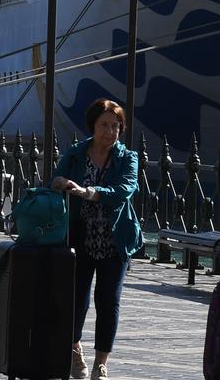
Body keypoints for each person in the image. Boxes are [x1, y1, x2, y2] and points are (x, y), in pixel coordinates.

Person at [50, 99, 143, 380]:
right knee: (77, 300)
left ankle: (101, 363)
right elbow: (55, 178)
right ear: (92, 126)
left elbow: (125, 189)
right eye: (104, 125)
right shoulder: (77, 152)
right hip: (80, 236)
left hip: (115, 238)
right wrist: (63, 184)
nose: (110, 131)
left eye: (115, 126)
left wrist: (89, 192)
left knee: (108, 300)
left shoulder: (128, 158)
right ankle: (74, 349)